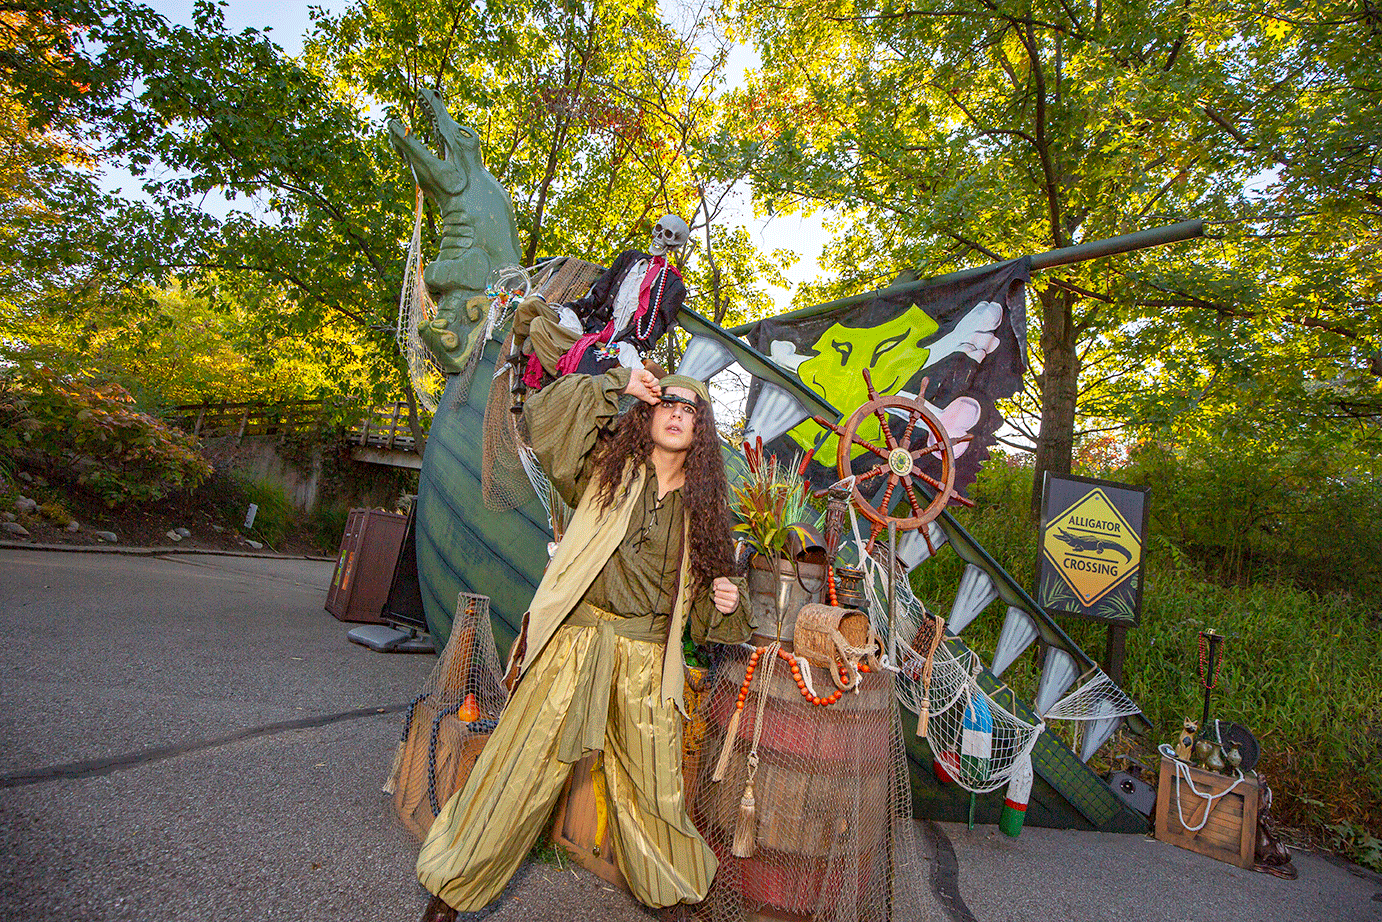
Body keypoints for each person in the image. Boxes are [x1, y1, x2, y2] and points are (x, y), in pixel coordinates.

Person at [418, 365, 750, 921]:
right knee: (515, 771)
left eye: (690, 410)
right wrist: (615, 382)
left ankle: (675, 904)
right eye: (668, 402)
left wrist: (727, 602)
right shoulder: (604, 469)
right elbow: (543, 418)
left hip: (645, 660)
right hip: (574, 642)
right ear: (649, 413)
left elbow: (705, 615)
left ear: (701, 429)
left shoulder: (707, 511)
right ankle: (448, 896)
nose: (676, 414)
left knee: (654, 792)